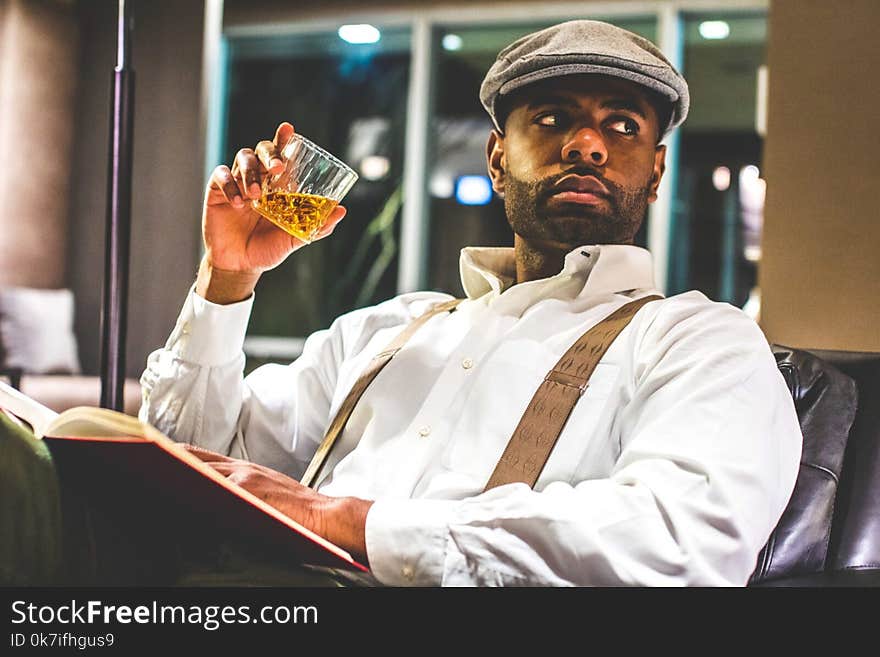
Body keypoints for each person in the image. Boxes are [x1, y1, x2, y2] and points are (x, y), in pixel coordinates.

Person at [139, 20, 802, 586]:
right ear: (495, 158)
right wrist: (226, 276)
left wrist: (355, 521)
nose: (588, 144)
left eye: (622, 126)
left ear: (654, 173)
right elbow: (191, 468)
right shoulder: (387, 327)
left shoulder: (696, 339)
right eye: (552, 118)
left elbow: (678, 541)